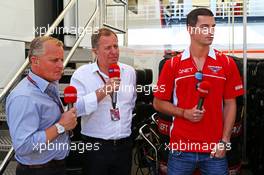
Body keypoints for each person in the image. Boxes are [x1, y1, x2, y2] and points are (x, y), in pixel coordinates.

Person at [153, 8, 244, 175]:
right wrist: (184, 113)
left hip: (214, 150)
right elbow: (158, 102)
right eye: (204, 27)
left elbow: (231, 104)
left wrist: (225, 141)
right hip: (180, 149)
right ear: (190, 29)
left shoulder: (227, 63)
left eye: (213, 27)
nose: (211, 32)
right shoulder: (172, 64)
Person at [6, 36, 77, 175]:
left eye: (62, 59)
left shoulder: (49, 82)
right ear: (34, 61)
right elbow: (23, 146)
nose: (61, 65)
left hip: (56, 166)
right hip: (39, 170)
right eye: (54, 60)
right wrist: (61, 126)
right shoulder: (24, 97)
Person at [70, 28, 136, 175]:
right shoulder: (82, 74)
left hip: (124, 145)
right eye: (107, 48)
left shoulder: (129, 72)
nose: (114, 51)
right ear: (95, 51)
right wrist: (104, 90)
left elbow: (130, 104)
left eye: (116, 46)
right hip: (95, 146)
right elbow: (77, 109)